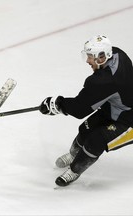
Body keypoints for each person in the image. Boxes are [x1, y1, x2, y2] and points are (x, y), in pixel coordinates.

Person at [39, 35, 133, 187]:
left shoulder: (105, 80)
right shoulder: (117, 53)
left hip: (128, 121)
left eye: (90, 57)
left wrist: (57, 104)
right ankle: (73, 154)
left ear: (102, 57)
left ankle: (75, 170)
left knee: (96, 140)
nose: (88, 61)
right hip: (114, 107)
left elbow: (79, 109)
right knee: (85, 129)